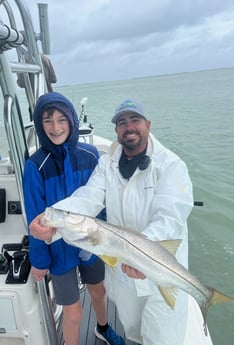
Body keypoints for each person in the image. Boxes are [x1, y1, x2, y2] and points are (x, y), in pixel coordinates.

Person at [30, 98, 194, 345]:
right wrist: (52, 218)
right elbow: (88, 198)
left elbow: (169, 217)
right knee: (135, 331)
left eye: (135, 120)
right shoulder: (107, 163)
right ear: (116, 130)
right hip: (127, 272)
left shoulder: (171, 166)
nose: (129, 127)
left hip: (162, 267)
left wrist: (143, 255)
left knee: (163, 336)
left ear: (148, 125)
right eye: (122, 122)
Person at [23, 92, 125, 345]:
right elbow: (36, 217)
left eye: (61, 119)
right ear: (39, 124)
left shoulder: (91, 156)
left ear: (71, 120)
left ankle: (103, 327)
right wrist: (39, 260)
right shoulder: (35, 166)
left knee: (99, 292)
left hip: (91, 242)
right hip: (57, 249)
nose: (55, 128)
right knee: (73, 314)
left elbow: (103, 203)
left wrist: (102, 242)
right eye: (47, 120)